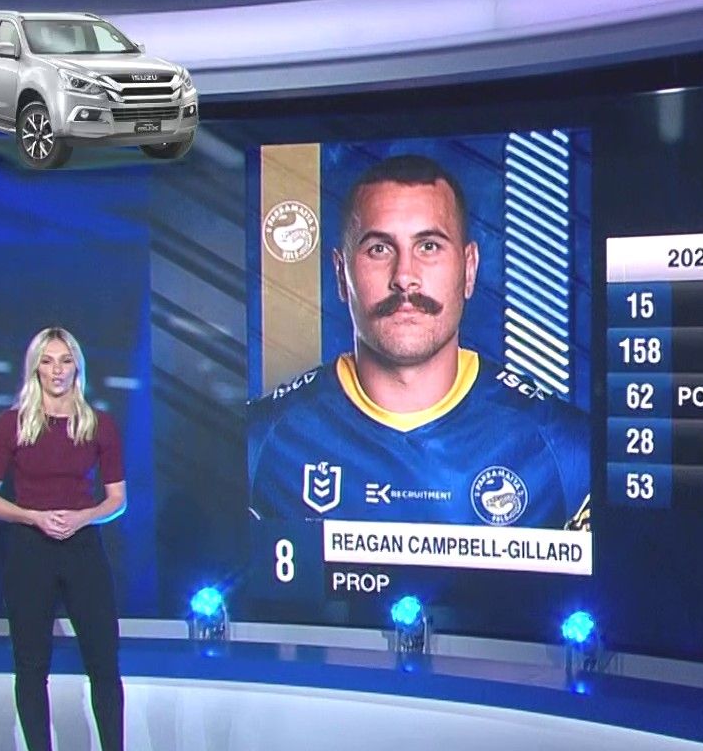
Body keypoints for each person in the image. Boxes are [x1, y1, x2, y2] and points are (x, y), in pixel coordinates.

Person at [248, 154, 589, 531]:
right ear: (342, 274)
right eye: (379, 249)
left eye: (428, 246)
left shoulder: (566, 448)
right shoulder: (259, 443)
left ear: (469, 269)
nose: (404, 277)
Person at [0, 326, 133, 751]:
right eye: (48, 360)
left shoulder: (99, 425)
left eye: (65, 360)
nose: (57, 370)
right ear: (35, 368)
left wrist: (83, 517)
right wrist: (32, 517)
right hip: (30, 552)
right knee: (31, 668)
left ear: (77, 367)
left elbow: (116, 499)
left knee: (104, 663)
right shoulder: (11, 425)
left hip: (83, 549)